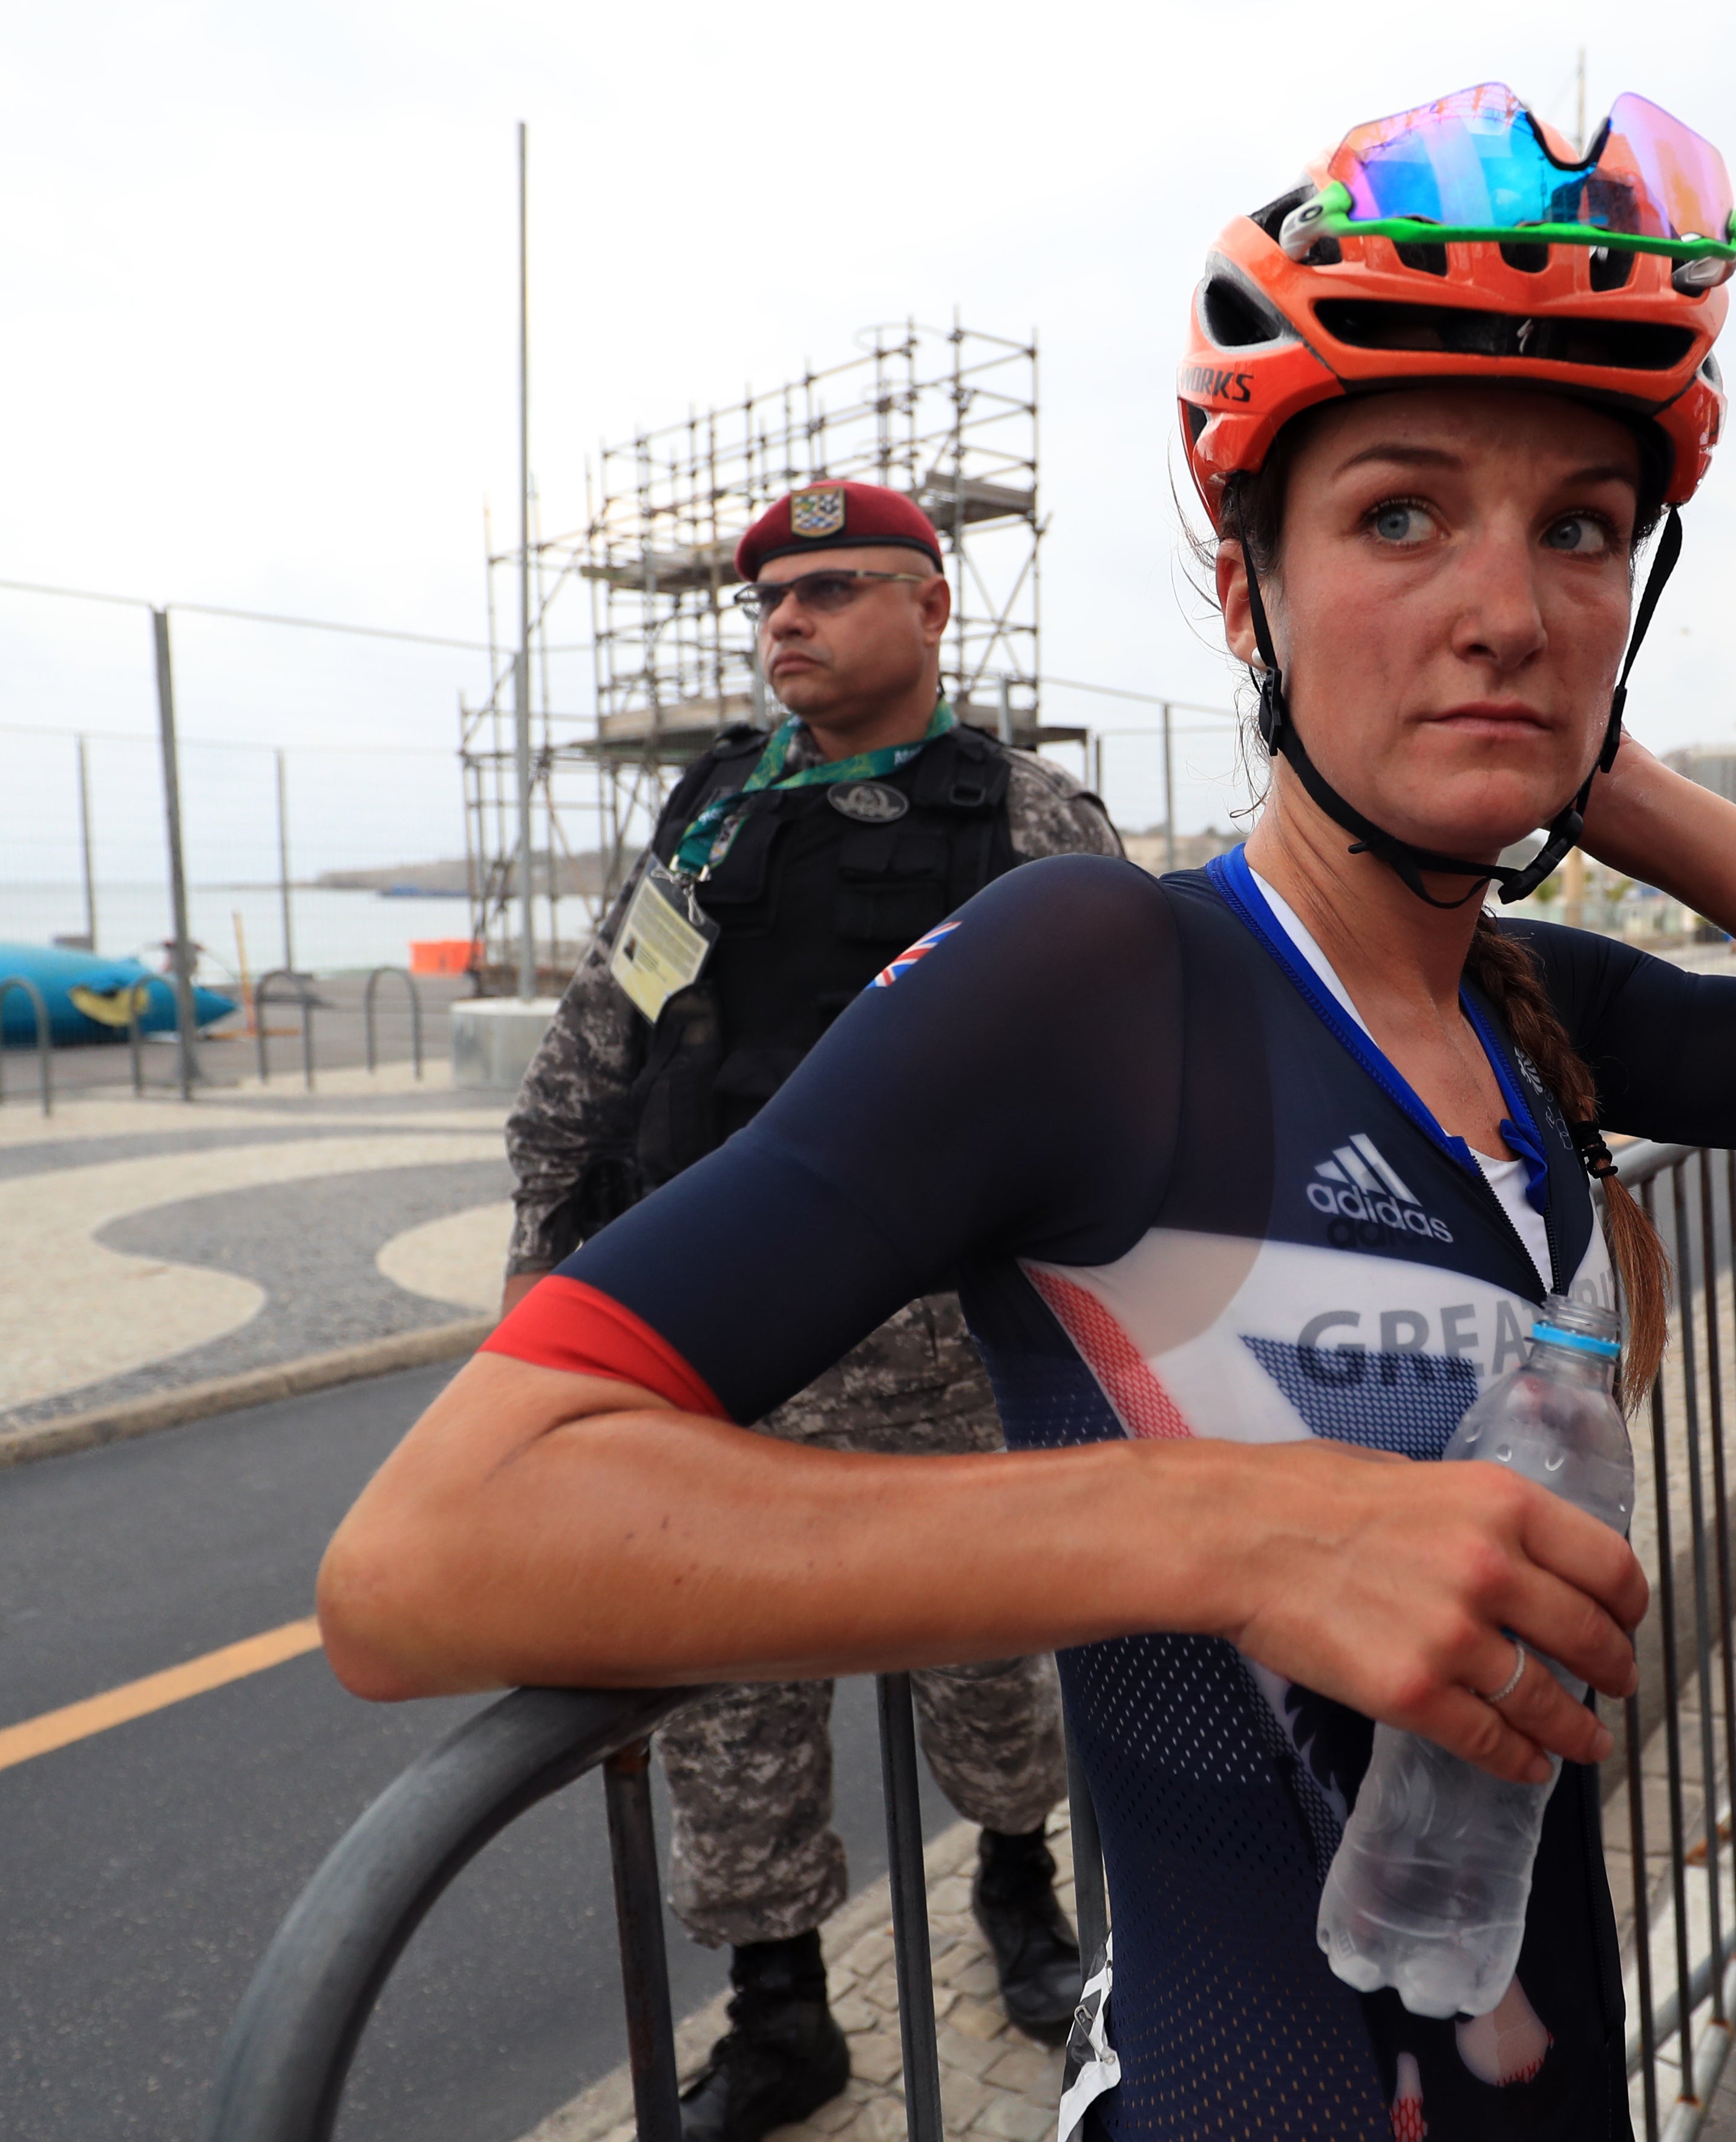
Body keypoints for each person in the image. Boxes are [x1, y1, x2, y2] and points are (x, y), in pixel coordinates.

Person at [321, 82, 1736, 2140]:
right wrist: (1228, 1530)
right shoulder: (1100, 974)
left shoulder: (1547, 1010)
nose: (1503, 602)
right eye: (1401, 518)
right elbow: (431, 1551)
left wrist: (1575, 751)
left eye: (1583, 533)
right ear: (1247, 590)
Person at [498, 476, 1122, 2136]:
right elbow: (598, 1046)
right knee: (727, 1701)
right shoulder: (709, 819)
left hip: (947, 1355)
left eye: (831, 588)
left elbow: (1119, 1071)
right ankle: (782, 2017)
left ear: (929, 607)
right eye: (768, 597)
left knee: (989, 1665)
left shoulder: (1032, 822)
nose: (785, 619)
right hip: (715, 1352)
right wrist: (537, 1290)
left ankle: (1019, 1905)